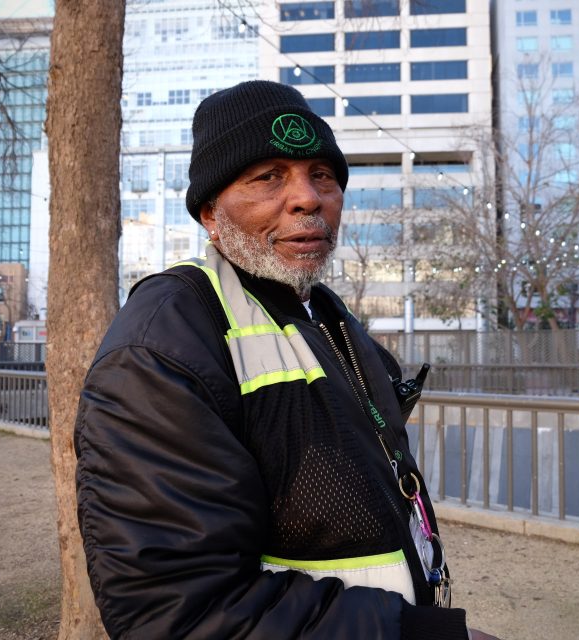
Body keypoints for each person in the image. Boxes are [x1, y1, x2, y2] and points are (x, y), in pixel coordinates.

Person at [75, 80, 497, 640]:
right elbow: (176, 611)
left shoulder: (325, 313)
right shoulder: (165, 342)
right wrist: (416, 635)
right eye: (269, 177)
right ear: (210, 212)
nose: (308, 198)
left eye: (322, 175)